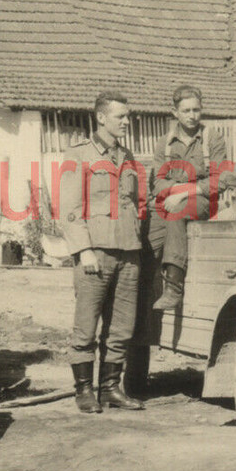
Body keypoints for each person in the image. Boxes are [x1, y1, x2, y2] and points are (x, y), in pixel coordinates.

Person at [59, 91, 146, 413]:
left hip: (128, 253)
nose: (126, 121)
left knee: (121, 327)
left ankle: (110, 388)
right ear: (101, 118)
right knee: (86, 325)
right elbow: (68, 208)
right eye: (120, 116)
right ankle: (84, 391)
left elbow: (136, 203)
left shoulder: (128, 156)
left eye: (128, 116)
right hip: (95, 253)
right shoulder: (79, 155)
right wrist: (84, 250)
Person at [148, 85, 229, 311]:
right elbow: (157, 182)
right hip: (171, 199)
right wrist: (176, 191)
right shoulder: (164, 142)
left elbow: (219, 181)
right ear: (175, 113)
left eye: (196, 110)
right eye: (186, 111)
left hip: (203, 200)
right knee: (147, 239)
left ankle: (174, 285)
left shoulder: (213, 139)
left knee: (177, 212)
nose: (192, 116)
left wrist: (183, 193)